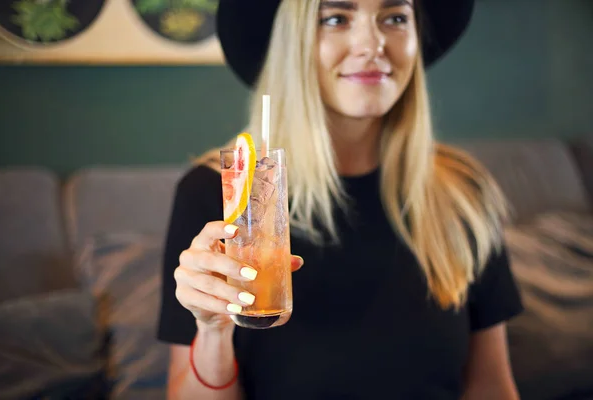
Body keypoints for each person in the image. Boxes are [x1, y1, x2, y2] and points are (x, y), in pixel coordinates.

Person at [157, 0, 525, 398]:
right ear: (290, 45)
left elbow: (491, 386)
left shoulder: (461, 191)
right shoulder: (219, 193)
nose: (372, 44)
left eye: (395, 18)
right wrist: (213, 333)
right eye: (335, 18)